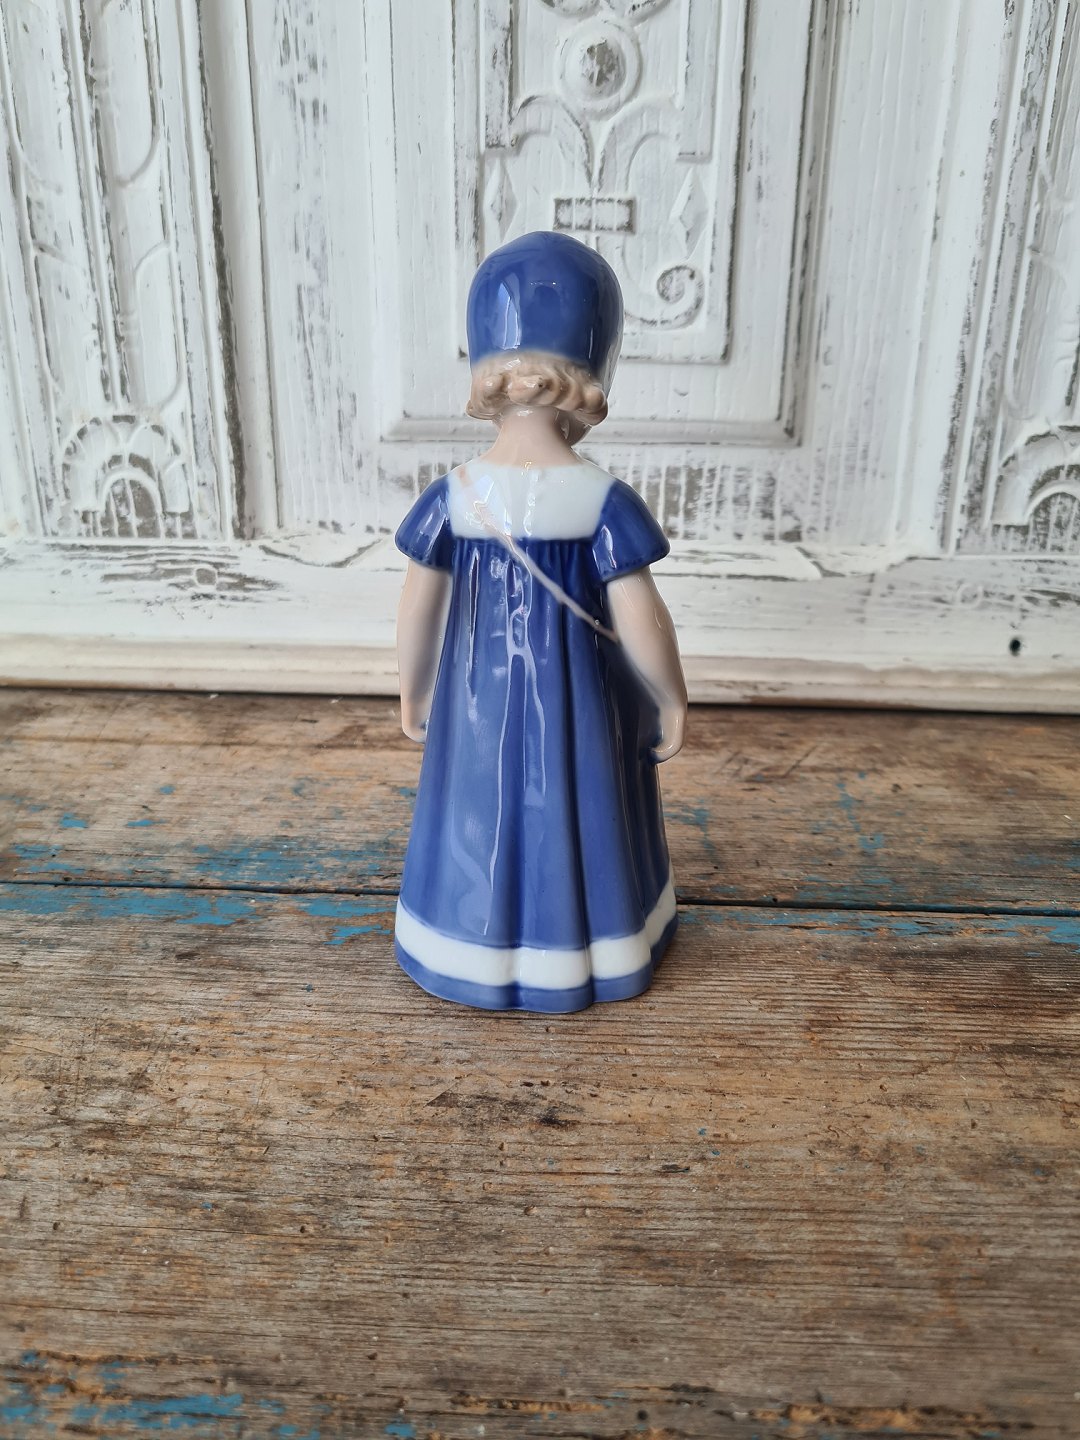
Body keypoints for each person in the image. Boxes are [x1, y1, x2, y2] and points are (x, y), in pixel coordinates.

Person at [394, 231, 687, 1012]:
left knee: (474, 807)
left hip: (475, 708)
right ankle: (598, 944)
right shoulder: (603, 501)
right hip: (583, 711)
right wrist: (671, 697)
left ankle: (458, 940)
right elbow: (642, 619)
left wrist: (413, 691)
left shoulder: (453, 496)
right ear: (593, 375)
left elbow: (418, 608)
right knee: (586, 804)